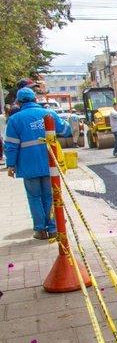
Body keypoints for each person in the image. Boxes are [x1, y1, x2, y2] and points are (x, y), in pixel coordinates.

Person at [4, 88, 71, 239]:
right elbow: (65, 129)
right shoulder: (49, 114)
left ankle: (40, 230)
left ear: (19, 102)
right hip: (50, 163)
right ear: (35, 99)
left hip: (28, 166)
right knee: (50, 195)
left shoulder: (15, 119)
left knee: (34, 197)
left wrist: (11, 165)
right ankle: (53, 228)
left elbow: (11, 146)